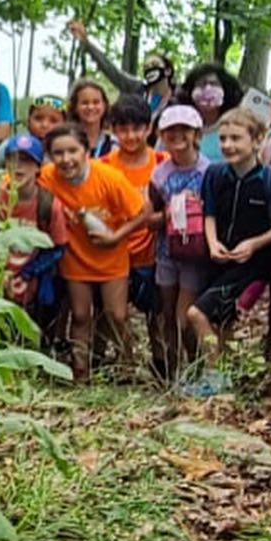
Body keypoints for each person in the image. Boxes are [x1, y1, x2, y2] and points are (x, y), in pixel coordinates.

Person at [184, 109, 271, 391]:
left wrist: (253, 244)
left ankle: (214, 377)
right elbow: (209, 213)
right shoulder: (215, 174)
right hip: (217, 257)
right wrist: (212, 242)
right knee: (221, 320)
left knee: (197, 314)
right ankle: (224, 375)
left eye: (236, 138)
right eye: (224, 138)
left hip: (250, 262)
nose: (228, 145)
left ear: (257, 140)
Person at [39, 123, 146, 382]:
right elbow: (16, 178)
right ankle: (81, 374)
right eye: (58, 153)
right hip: (75, 258)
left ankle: (128, 366)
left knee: (117, 315)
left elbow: (142, 212)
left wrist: (116, 237)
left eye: (73, 151)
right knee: (80, 315)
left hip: (112, 257)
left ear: (86, 151)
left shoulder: (108, 178)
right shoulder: (46, 177)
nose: (66, 160)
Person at [102, 94, 166, 377]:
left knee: (157, 314)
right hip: (115, 253)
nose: (130, 135)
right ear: (113, 130)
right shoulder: (104, 165)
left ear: (149, 128)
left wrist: (156, 219)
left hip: (153, 252)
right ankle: (126, 359)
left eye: (137, 128)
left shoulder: (163, 162)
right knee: (116, 313)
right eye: (123, 129)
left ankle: (161, 362)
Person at [147, 105, 212, 383]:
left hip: (197, 255)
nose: (177, 136)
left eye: (184, 130)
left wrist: (197, 210)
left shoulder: (209, 170)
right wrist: (173, 211)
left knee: (183, 316)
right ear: (162, 134)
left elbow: (216, 211)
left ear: (196, 133)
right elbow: (149, 218)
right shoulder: (160, 174)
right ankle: (172, 373)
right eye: (170, 131)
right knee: (167, 312)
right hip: (167, 252)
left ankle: (195, 368)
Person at [0, 134, 67, 341]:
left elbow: (59, 246)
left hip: (34, 286)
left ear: (38, 167)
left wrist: (28, 274)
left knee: (32, 337)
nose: (19, 167)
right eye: (13, 160)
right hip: (0, 281)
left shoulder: (48, 205)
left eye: (26, 161)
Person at [67, 19, 176, 128]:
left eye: (155, 64)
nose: (150, 69)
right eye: (146, 67)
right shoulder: (137, 89)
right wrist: (86, 43)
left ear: (168, 70)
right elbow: (111, 70)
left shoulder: (179, 96)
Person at [176, 63, 243, 162]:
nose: (208, 89)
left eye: (214, 84)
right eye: (201, 85)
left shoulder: (238, 126)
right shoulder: (177, 126)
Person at [0, 95, 66, 173]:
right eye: (38, 118)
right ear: (28, 122)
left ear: (65, 125)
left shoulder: (67, 152)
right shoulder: (12, 145)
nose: (44, 125)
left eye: (53, 121)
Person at [68, 79, 115, 158]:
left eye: (96, 102)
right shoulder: (64, 140)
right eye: (85, 103)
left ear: (104, 105)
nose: (90, 107)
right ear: (75, 107)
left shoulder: (114, 143)